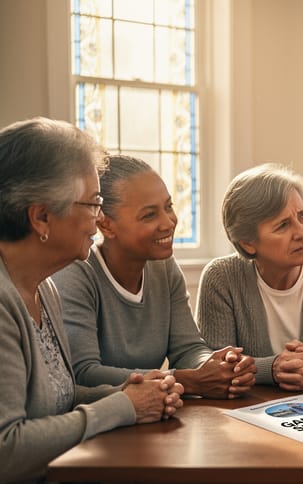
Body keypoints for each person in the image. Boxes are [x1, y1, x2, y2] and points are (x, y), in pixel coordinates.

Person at [0, 117, 184, 484]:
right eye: (93, 204)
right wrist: (123, 407)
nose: (99, 220)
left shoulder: (43, 287)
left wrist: (132, 392)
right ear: (41, 217)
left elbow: (59, 400)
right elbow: (7, 450)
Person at [52, 155, 256, 399]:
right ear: (105, 225)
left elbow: (188, 349)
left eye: (168, 206)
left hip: (155, 411)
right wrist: (187, 380)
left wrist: (216, 365)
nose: (168, 222)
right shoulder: (76, 273)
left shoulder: (164, 267)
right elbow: (84, 373)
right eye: (149, 215)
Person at [195, 163, 303, 390]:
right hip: (246, 408)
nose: (302, 232)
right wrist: (271, 369)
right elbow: (215, 367)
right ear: (248, 243)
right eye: (283, 225)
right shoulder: (221, 278)